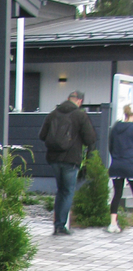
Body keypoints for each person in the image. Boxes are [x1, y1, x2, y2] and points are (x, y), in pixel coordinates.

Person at [40, 87, 96, 235]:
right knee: (68, 191)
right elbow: (90, 139)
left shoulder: (53, 114)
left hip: (53, 159)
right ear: (80, 101)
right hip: (71, 160)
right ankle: (60, 226)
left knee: (61, 191)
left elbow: (42, 135)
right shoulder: (80, 116)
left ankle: (57, 224)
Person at [108, 102, 133, 233]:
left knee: (117, 194)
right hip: (130, 165)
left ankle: (112, 224)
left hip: (116, 165)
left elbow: (110, 147)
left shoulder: (115, 127)